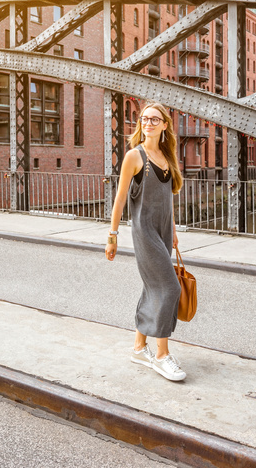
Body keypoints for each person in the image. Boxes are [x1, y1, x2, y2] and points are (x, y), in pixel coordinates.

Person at [105, 102, 186, 382]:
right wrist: (112, 235)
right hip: (144, 231)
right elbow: (120, 198)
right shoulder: (134, 156)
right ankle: (161, 356)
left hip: (163, 231)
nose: (148, 123)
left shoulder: (166, 155)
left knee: (152, 287)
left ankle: (139, 348)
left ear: (165, 125)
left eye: (155, 119)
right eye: (144, 118)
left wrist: (173, 231)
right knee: (169, 287)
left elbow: (169, 199)